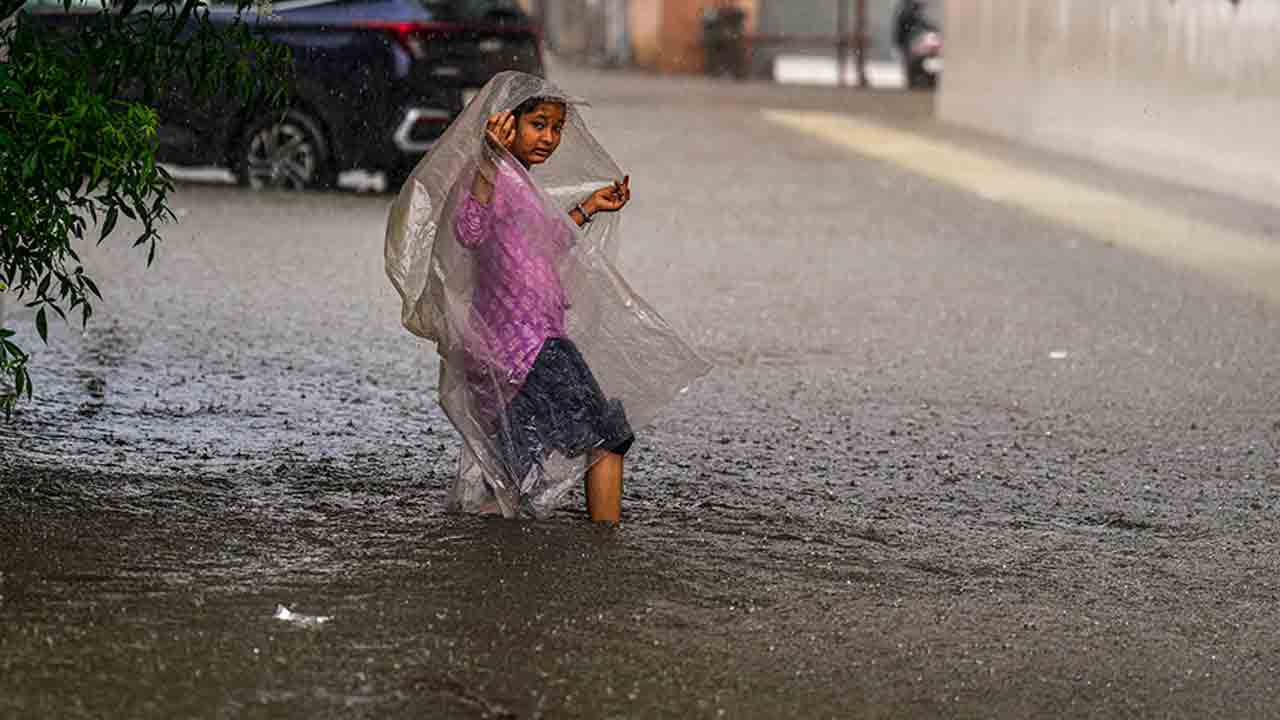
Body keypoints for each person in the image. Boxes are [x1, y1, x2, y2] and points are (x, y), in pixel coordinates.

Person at [385, 72, 709, 523]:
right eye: (538, 124)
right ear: (507, 123)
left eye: (556, 127)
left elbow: (540, 248)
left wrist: (589, 208)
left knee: (513, 468)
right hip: (526, 347)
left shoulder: (521, 183)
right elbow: (468, 230)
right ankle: (605, 551)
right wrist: (485, 161)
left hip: (510, 349)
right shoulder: (490, 175)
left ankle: (490, 560)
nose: (550, 137)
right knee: (608, 437)